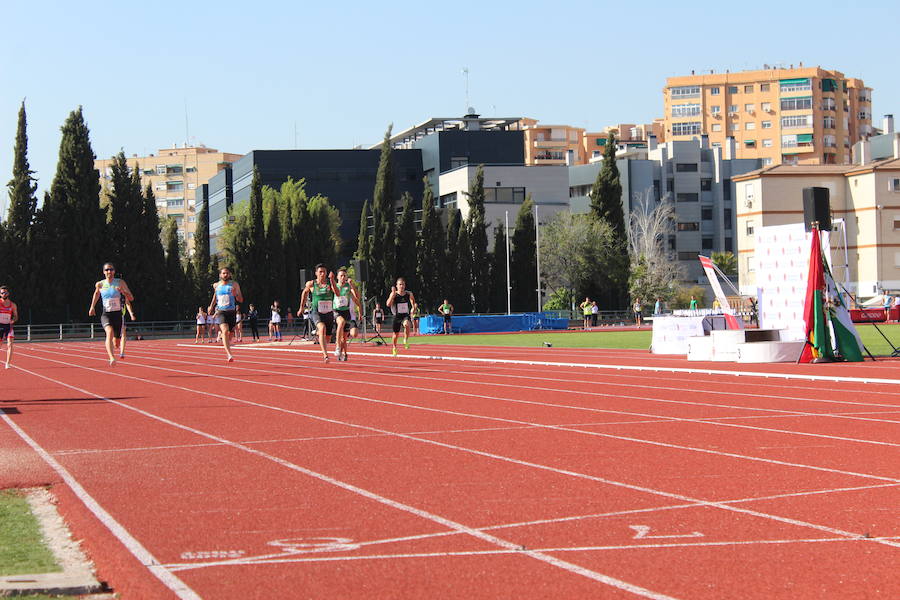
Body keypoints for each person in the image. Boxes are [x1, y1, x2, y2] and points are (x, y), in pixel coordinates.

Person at [88, 263, 134, 366]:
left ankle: (116, 346)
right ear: (104, 272)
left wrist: (123, 292)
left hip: (118, 314)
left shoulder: (120, 283)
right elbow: (96, 294)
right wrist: (92, 307)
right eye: (107, 270)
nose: (109, 272)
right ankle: (112, 357)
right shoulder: (100, 284)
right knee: (109, 332)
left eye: (111, 269)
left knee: (116, 343)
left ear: (114, 271)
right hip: (106, 314)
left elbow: (131, 298)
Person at [299, 264, 339, 362]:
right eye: (320, 272)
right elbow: (304, 293)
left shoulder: (330, 283)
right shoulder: (311, 284)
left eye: (324, 272)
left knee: (328, 338)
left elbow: (337, 293)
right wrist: (301, 307)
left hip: (329, 313)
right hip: (317, 312)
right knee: (322, 328)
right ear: (316, 273)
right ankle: (325, 355)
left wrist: (333, 280)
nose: (322, 274)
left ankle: (317, 332)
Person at [207, 266, 243, 362]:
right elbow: (215, 296)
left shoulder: (234, 284)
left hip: (231, 312)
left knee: (230, 334)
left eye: (227, 273)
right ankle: (229, 354)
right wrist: (211, 306)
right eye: (223, 273)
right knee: (225, 331)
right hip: (221, 312)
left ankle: (225, 340)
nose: (225, 275)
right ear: (220, 275)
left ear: (230, 274)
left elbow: (241, 300)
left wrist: (235, 294)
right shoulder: (216, 285)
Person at [332, 267, 363, 361]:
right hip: (337, 311)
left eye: (344, 275)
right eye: (341, 275)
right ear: (337, 277)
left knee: (350, 335)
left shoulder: (348, 287)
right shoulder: (334, 286)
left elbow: (357, 298)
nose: (343, 277)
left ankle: (343, 352)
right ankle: (338, 348)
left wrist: (352, 285)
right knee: (341, 323)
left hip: (347, 313)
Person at [387, 277, 417, 357]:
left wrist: (413, 308)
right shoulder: (394, 294)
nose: (402, 286)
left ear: (405, 285)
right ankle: (394, 347)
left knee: (407, 324)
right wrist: (392, 295)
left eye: (403, 284)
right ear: (397, 285)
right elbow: (388, 304)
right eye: (400, 284)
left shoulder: (408, 294)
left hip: (405, 315)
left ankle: (405, 340)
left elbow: (413, 302)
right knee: (395, 335)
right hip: (397, 316)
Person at [0, 285, 19, 369]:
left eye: (5, 292)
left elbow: (16, 316)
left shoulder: (13, 305)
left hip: (9, 326)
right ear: (0, 294)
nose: (4, 294)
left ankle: (7, 363)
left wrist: (13, 320)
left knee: (10, 344)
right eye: (2, 293)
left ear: (8, 293)